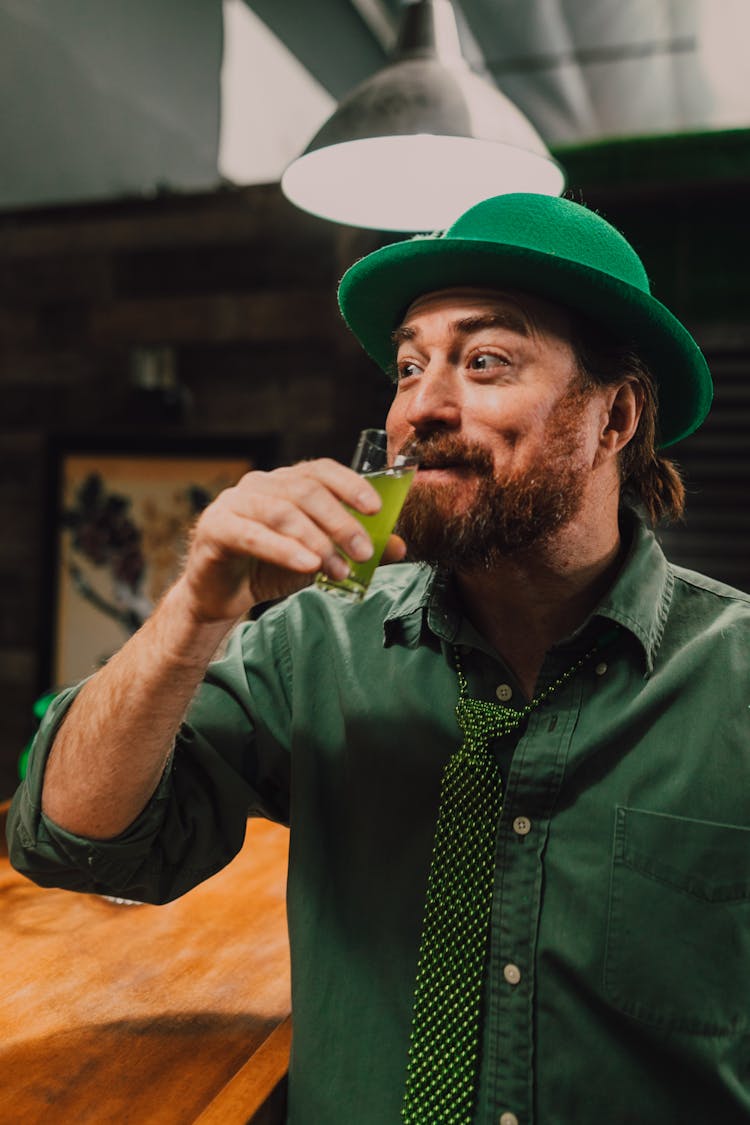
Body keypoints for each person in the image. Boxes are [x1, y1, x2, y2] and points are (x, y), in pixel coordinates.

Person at [8, 193, 750, 1125]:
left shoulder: (736, 680)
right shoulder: (316, 641)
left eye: (484, 361)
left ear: (615, 418)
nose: (423, 407)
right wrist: (196, 611)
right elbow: (72, 835)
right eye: (408, 365)